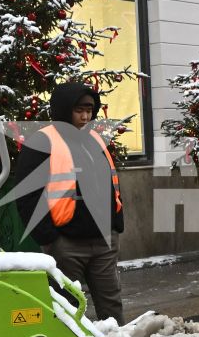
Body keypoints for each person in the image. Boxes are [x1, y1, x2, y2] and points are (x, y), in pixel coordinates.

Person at [11, 82, 125, 322]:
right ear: (64, 110)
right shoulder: (43, 142)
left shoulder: (95, 140)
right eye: (79, 110)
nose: (86, 116)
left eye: (89, 110)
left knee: (111, 305)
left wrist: (116, 223)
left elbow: (110, 182)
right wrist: (50, 238)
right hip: (66, 244)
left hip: (103, 240)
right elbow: (28, 196)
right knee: (66, 308)